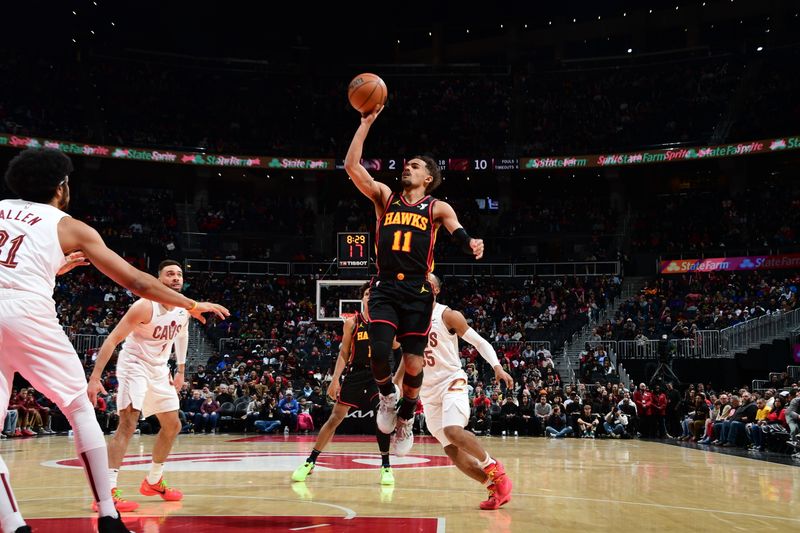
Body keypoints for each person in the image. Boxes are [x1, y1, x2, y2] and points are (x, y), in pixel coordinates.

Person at [0, 148, 228, 533]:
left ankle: (12, 523)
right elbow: (137, 281)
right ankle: (108, 512)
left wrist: (55, 265)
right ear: (61, 187)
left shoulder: (2, 206)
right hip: (27, 314)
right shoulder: (69, 226)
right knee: (77, 406)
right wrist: (190, 303)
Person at [344, 106, 484, 456]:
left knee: (413, 365)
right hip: (385, 285)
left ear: (428, 178)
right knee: (378, 353)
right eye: (407, 164)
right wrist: (365, 125)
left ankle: (407, 415)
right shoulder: (384, 198)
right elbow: (351, 167)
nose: (408, 167)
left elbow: (457, 230)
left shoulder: (437, 207)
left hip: (418, 290)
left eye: (416, 166)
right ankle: (388, 399)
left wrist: (470, 243)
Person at [395, 274, 513, 510]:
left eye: (428, 283)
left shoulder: (447, 315)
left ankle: (495, 468)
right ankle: (494, 488)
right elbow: (407, 358)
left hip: (451, 381)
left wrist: (497, 367)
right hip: (427, 391)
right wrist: (394, 389)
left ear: (436, 290)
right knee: (451, 450)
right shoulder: (409, 320)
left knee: (453, 431)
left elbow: (479, 342)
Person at [87, 260, 194, 512]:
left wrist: (180, 369)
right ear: (158, 280)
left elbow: (181, 335)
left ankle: (154, 481)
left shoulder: (185, 308)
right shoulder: (145, 306)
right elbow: (113, 339)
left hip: (159, 369)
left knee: (173, 424)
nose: (176, 278)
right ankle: (106, 493)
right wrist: (95, 377)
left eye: (179, 274)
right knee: (128, 423)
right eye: (170, 274)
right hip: (134, 365)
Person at [292, 284, 400, 486]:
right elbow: (344, 353)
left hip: (379, 374)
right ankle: (310, 461)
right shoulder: (352, 322)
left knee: (382, 418)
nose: (370, 297)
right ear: (362, 299)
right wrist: (334, 380)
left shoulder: (385, 324)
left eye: (373, 294)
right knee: (335, 418)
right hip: (356, 373)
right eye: (367, 294)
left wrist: (397, 377)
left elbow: (397, 348)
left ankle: (386, 466)